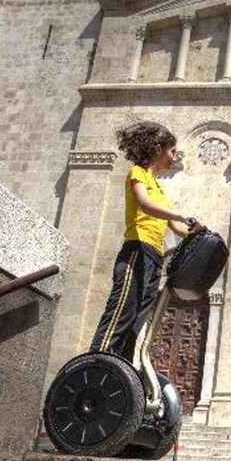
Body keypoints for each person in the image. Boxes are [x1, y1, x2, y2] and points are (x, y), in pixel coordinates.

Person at [89, 121, 204, 361]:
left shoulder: (161, 190)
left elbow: (176, 228)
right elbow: (144, 204)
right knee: (122, 311)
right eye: (172, 151)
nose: (175, 157)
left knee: (136, 320)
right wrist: (180, 215)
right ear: (157, 148)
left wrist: (197, 231)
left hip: (154, 257)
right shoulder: (137, 173)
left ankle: (120, 368)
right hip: (136, 250)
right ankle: (96, 362)